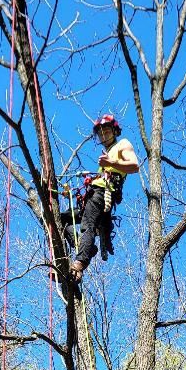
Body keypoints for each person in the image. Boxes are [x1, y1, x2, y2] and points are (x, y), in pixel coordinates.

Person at [63, 114, 139, 284]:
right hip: (92, 194)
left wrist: (111, 161)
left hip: (102, 194)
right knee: (63, 219)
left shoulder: (122, 144)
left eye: (106, 130)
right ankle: (86, 249)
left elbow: (134, 166)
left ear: (114, 130)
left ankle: (79, 264)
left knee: (87, 227)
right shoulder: (107, 153)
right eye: (100, 132)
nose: (103, 135)